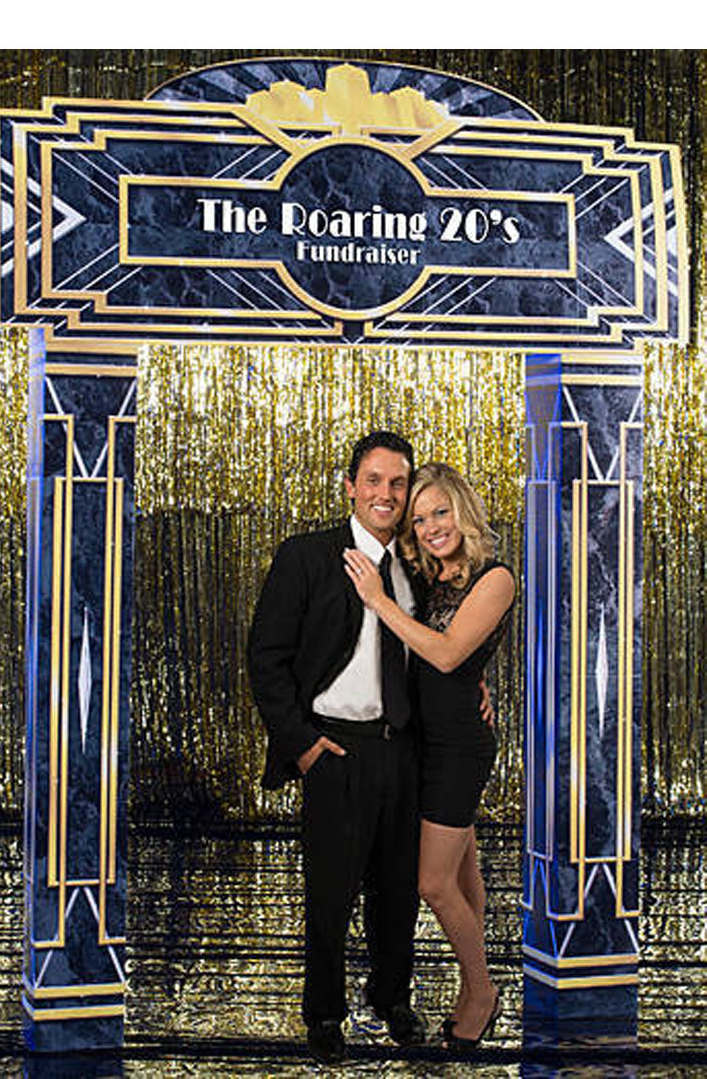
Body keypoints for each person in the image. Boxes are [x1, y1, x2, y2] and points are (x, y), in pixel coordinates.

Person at [247, 431, 425, 1063]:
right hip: (335, 747)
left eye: (398, 483)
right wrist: (302, 746)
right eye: (373, 480)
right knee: (331, 891)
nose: (386, 494)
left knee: (398, 889)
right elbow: (266, 657)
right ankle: (324, 1012)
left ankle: (392, 997)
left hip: (401, 748)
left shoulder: (418, 564)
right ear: (351, 487)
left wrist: (476, 685)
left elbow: (436, 650)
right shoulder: (306, 556)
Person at [343, 461, 514, 1052]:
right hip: (423, 739)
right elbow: (444, 659)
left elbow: (445, 654)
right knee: (464, 876)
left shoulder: (495, 577)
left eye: (441, 512)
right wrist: (475, 677)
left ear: (463, 510)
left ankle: (482, 992)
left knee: (434, 883)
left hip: (459, 747)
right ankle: (473, 988)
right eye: (419, 519)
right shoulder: (431, 575)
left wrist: (376, 599)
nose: (432, 526)